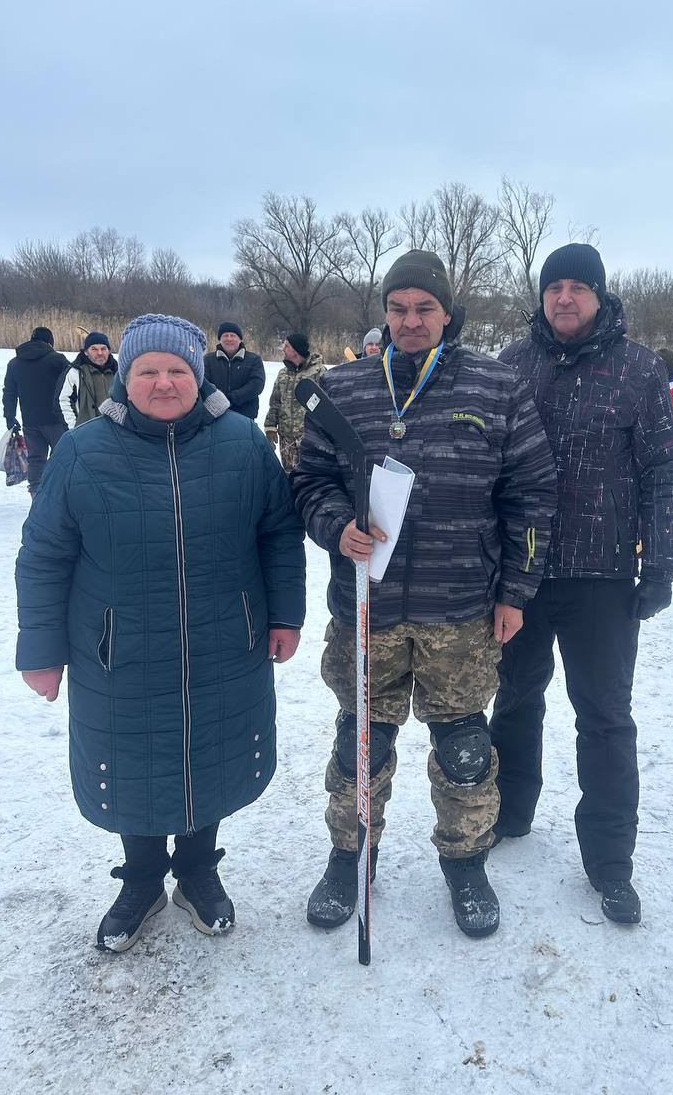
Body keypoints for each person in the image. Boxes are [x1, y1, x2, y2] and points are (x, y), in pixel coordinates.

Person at [15, 313, 306, 952]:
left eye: (178, 370)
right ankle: (143, 878)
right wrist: (40, 651)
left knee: (210, 752)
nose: (165, 382)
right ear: (125, 377)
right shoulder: (82, 451)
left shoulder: (242, 444)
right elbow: (43, 554)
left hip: (225, 639)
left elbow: (278, 533)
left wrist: (284, 615)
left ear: (198, 377)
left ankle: (199, 871)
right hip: (118, 649)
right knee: (134, 759)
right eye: (148, 370)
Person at [292, 250, 557, 939]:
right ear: (384, 311)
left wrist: (516, 593)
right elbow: (308, 481)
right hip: (368, 610)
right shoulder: (343, 388)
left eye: (425, 309)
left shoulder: (497, 389)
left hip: (460, 610)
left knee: (465, 749)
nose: (411, 321)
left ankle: (466, 864)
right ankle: (351, 856)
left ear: (448, 313)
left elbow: (532, 496)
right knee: (362, 746)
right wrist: (334, 524)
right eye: (399, 308)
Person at [490, 243, 673, 926]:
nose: (564, 298)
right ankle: (509, 812)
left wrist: (660, 562)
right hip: (521, 574)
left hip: (602, 577)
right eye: (554, 288)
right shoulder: (513, 365)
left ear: (600, 296)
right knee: (514, 698)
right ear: (541, 297)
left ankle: (610, 863)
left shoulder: (637, 370)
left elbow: (663, 471)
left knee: (605, 719)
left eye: (578, 287)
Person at [2, 326, 71, 495]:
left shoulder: (14, 363)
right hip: (56, 421)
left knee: (35, 460)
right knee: (63, 456)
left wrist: (10, 417)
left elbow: (9, 393)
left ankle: (36, 493)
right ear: (50, 341)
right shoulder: (57, 359)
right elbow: (73, 382)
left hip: (30, 421)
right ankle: (59, 492)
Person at [264, 332, 325, 472]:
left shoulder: (319, 373)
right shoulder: (282, 374)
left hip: (310, 438)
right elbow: (275, 403)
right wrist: (270, 426)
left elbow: (326, 405)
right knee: (289, 476)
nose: (283, 348)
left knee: (312, 476)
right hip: (286, 439)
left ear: (296, 350)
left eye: (286, 346)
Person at [204, 321, 266, 420]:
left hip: (245, 415)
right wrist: (219, 400)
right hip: (215, 415)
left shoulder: (254, 359)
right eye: (225, 335)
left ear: (240, 339)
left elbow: (257, 385)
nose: (229, 339)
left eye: (233, 335)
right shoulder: (208, 360)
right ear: (219, 339)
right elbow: (204, 383)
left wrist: (233, 398)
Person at [67, 331, 118, 426]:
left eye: (103, 349)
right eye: (94, 349)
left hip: (115, 431)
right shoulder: (75, 372)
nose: (100, 353)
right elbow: (64, 400)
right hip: (86, 431)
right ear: (86, 352)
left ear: (109, 351)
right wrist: (74, 428)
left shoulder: (119, 372)